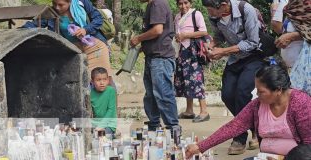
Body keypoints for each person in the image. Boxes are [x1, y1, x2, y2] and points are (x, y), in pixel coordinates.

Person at [185, 57, 311, 159]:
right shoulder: (257, 105)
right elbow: (234, 126)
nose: (256, 94)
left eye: (261, 91)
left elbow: (308, 146)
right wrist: (201, 147)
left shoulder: (300, 103)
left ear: (278, 90)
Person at [201, 0, 264, 154]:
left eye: (211, 9)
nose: (209, 13)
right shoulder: (215, 16)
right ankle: (254, 127)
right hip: (235, 59)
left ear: (223, 5)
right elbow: (219, 35)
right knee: (227, 95)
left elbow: (253, 42)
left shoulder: (246, 10)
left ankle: (240, 137)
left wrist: (222, 52)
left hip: (253, 57)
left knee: (242, 92)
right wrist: (212, 45)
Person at [22, 0, 116, 88]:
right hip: (74, 50)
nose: (57, 7)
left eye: (61, 5)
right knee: (83, 82)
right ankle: (90, 105)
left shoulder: (82, 3)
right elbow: (33, 25)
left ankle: (111, 104)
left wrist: (86, 29)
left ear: (70, 2)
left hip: (94, 47)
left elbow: (98, 19)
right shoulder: (51, 12)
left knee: (103, 80)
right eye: (54, 4)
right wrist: (18, 31)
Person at [130, 0, 179, 131]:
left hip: (161, 58)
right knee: (151, 94)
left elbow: (157, 30)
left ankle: (172, 128)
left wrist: (138, 38)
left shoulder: (158, 3)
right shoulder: (152, 5)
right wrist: (144, 46)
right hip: (153, 56)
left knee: (163, 94)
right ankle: (154, 125)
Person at [174, 0, 210, 123]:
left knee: (196, 79)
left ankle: (204, 111)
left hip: (193, 51)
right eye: (180, 3)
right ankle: (189, 110)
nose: (183, 6)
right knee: (185, 79)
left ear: (191, 3)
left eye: (186, 3)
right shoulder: (177, 17)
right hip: (182, 51)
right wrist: (178, 37)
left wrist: (186, 35)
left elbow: (204, 31)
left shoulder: (196, 14)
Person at [279, 0, 311, 96]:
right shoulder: (291, 7)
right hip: (293, 70)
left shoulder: (307, 7)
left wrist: (293, 36)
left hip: (306, 71)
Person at [270, 0, 303, 68]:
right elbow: (278, 28)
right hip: (292, 65)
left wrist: (292, 36)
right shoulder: (287, 3)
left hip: (303, 65)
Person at [90, 67, 117, 134]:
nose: (102, 83)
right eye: (98, 80)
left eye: (104, 79)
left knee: (102, 137)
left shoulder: (111, 91)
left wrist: (100, 126)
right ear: (92, 81)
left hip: (109, 124)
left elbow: (110, 111)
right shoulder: (90, 93)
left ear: (108, 80)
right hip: (95, 124)